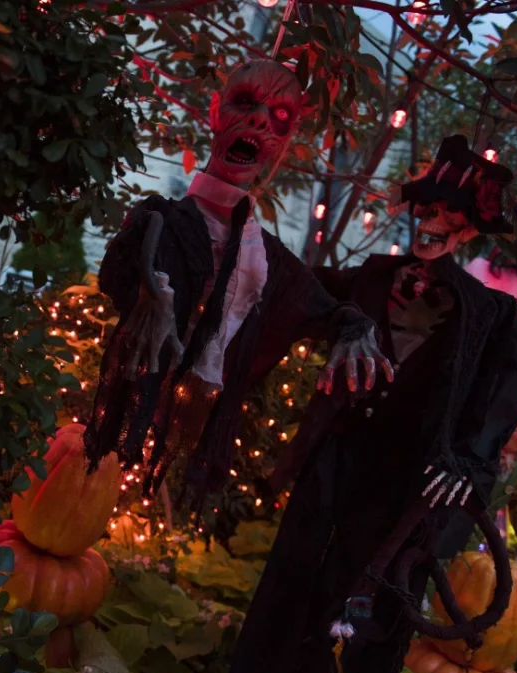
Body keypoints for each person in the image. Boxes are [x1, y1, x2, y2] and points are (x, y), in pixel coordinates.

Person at [216, 135, 517, 673]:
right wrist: (239, 232)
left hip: (404, 493)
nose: (432, 223)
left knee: (361, 621)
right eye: (427, 209)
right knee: (289, 589)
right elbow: (300, 291)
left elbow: (494, 411)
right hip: (334, 465)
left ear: (469, 230)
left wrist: (465, 467)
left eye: (449, 215)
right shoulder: (371, 276)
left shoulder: (492, 317)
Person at [84, 59, 391, 514]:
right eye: (245, 103)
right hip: (138, 396)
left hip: (196, 412)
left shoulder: (265, 255)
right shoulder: (160, 220)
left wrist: (355, 328)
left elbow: (324, 308)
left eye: (280, 118)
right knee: (103, 486)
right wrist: (148, 291)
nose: (260, 121)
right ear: (215, 111)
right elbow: (120, 274)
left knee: (155, 503)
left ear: (284, 142)